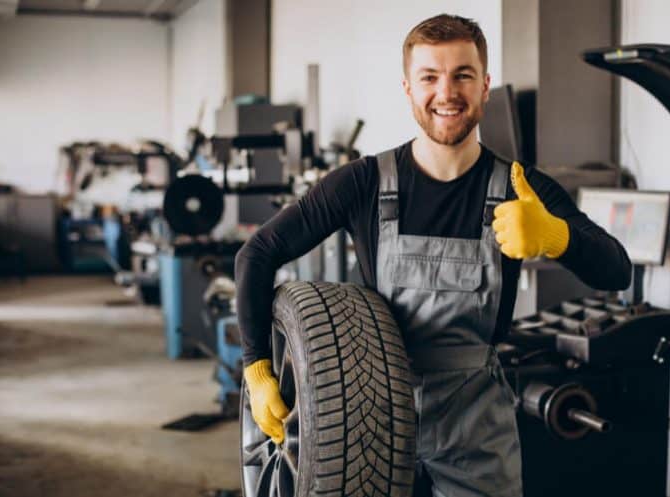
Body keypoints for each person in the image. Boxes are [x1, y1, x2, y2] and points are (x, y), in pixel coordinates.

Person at [235, 13, 631, 497]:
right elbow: (257, 254)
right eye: (430, 77)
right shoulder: (362, 183)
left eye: (462, 75)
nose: (447, 93)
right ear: (407, 89)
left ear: (485, 86)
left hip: (476, 430)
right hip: (366, 422)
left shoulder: (521, 188)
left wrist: (557, 236)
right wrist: (257, 369)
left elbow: (616, 270)